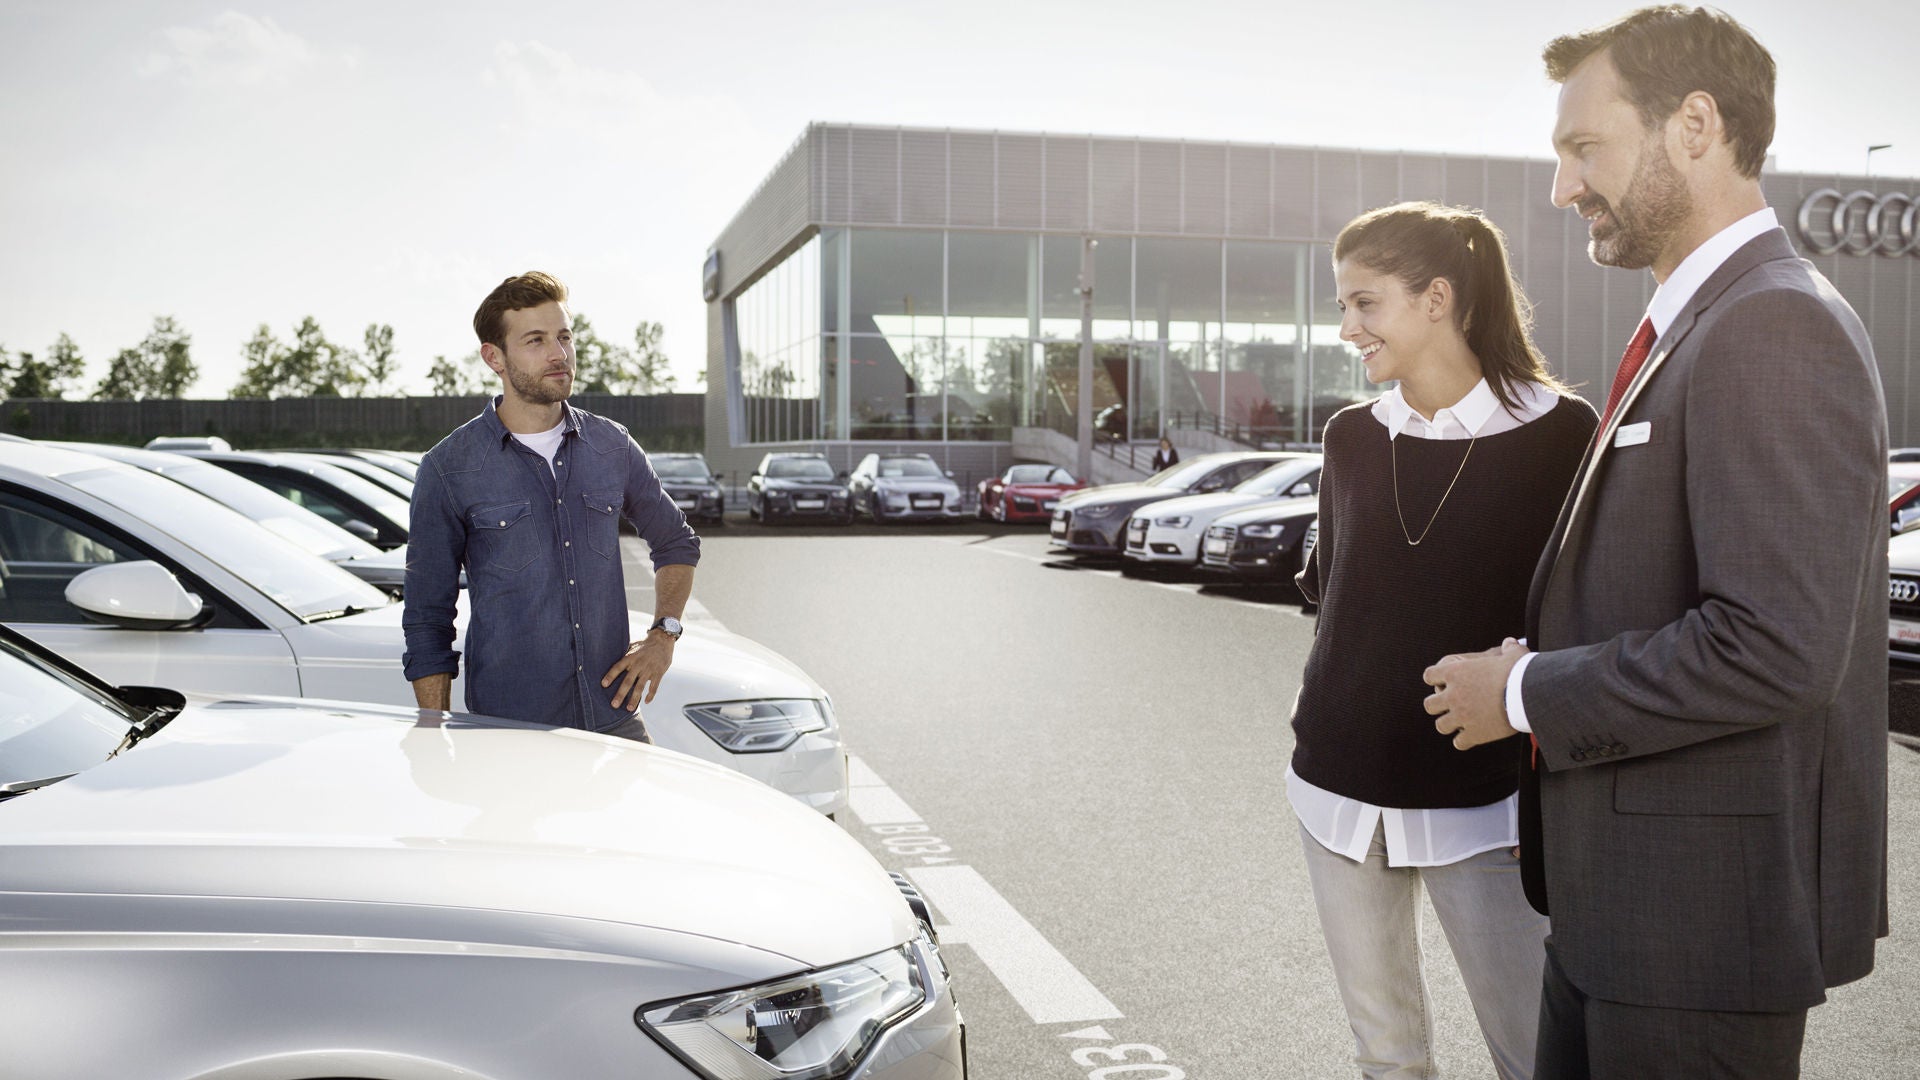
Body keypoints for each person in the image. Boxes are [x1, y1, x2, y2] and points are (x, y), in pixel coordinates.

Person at [1419, 8, 1889, 1079]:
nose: (1563, 186)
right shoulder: (1698, 322)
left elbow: (1775, 646)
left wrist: (1526, 693)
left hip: (1696, 939)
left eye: (1585, 147)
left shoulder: (1772, 324)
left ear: (1694, 125)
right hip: (1617, 917)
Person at [1291, 202, 1596, 1080]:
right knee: (1387, 1057)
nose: (1347, 327)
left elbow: (1584, 613)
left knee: (1536, 1057)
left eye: (1365, 303)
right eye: (1343, 306)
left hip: (1486, 807)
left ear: (1436, 300)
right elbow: (1332, 586)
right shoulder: (1349, 436)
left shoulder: (1562, 433)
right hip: (1335, 794)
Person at [403, 271, 700, 742]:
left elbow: (676, 542)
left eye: (564, 337)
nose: (559, 354)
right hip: (507, 732)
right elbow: (426, 618)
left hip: (614, 723)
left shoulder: (612, 446)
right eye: (536, 340)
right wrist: (434, 731)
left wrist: (664, 635)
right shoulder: (449, 469)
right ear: (494, 357)